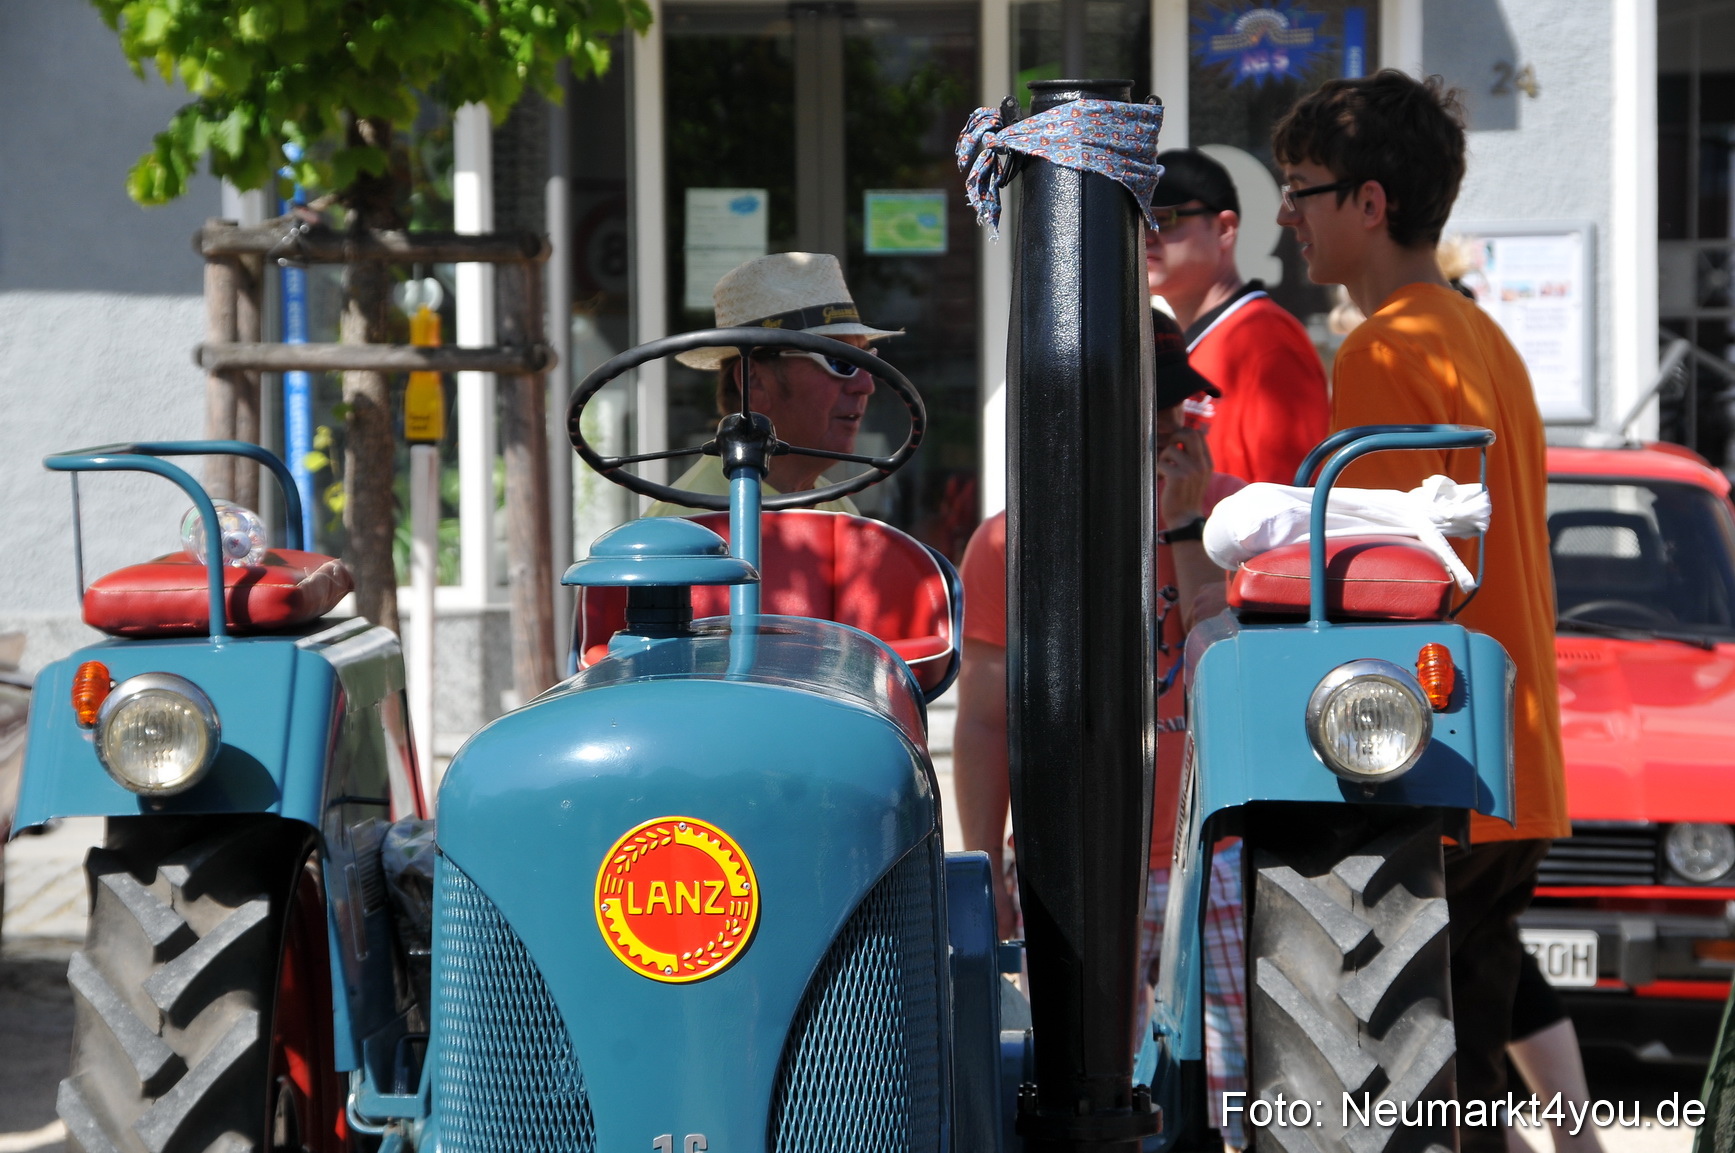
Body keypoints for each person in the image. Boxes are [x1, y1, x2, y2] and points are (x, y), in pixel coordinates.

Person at [1272, 70, 1566, 1153]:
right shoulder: (1479, 336)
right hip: (1512, 749)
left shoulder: (1385, 346)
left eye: (1300, 191)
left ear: (1369, 202)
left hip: (1432, 757)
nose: (1286, 218)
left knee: (1402, 1108)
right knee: (1470, 1081)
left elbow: (1388, 582)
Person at [952, 312, 1250, 1148]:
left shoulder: (1231, 518)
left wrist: (1186, 529)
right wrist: (987, 862)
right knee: (1085, 1087)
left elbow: (1220, 672)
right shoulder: (1013, 540)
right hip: (1082, 855)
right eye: (1150, 421)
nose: (1169, 439)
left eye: (1178, 418)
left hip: (1209, 851)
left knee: (1229, 1090)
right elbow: (982, 717)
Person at [647, 251, 899, 516]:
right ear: (754, 381)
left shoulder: (835, 505)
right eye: (839, 360)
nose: (865, 384)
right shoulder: (692, 529)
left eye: (866, 361)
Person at [1146, 148, 1329, 484]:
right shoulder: (1180, 341)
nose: (1146, 236)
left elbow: (1290, 511)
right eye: (1139, 218)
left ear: (1224, 228)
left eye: (1165, 218)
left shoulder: (1267, 344)